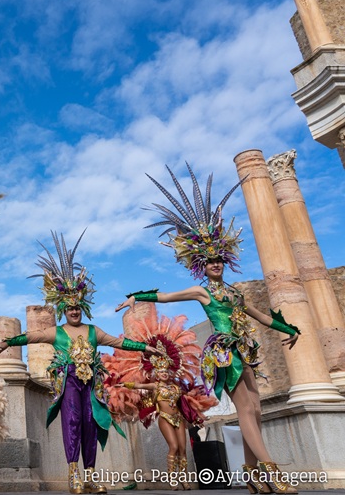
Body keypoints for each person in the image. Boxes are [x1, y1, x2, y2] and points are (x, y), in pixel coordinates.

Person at [115, 163, 300, 495]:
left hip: (244, 351)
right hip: (224, 353)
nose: (215, 263)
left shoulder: (235, 293)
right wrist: (135, 296)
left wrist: (289, 328)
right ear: (202, 263)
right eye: (209, 260)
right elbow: (168, 296)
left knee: (255, 410)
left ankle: (253, 474)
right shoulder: (203, 292)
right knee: (246, 408)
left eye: (219, 259)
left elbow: (260, 316)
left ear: (224, 261)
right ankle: (271, 472)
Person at [0, 232, 159, 494]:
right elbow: (32, 336)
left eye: (77, 306)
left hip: (92, 384)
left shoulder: (94, 331)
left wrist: (145, 346)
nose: (73, 310)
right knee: (72, 423)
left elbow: (119, 342)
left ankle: (89, 477)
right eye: (69, 307)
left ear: (82, 307)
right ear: (63, 309)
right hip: (68, 381)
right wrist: (9, 342)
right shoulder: (57, 332)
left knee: (91, 423)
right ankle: (73, 477)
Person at [103, 305, 216, 491]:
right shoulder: (154, 386)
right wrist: (123, 384)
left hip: (178, 418)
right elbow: (138, 385)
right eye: (160, 371)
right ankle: (172, 479)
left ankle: (184, 479)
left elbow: (186, 403)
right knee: (172, 447)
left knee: (182, 449)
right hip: (165, 418)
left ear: (170, 372)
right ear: (156, 372)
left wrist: (197, 415)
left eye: (166, 371)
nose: (163, 374)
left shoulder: (175, 387)